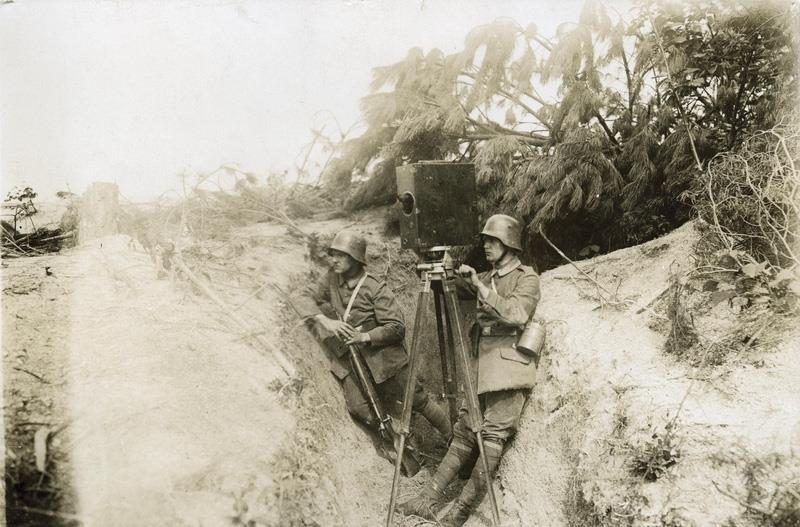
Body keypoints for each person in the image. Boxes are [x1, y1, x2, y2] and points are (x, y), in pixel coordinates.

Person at [397, 214, 541, 526]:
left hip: (508, 370)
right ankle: (428, 500)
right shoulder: (488, 277)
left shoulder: (526, 278)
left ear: (510, 244)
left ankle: (457, 516)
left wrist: (479, 286)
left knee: (491, 438)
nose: (486, 246)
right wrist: (447, 268)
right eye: (486, 240)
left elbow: (517, 314)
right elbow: (455, 289)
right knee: (464, 433)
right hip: (479, 368)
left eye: (493, 241)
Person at [293, 230, 452, 444]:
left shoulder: (375, 288)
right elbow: (299, 295)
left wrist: (364, 337)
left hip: (384, 357)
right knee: (358, 407)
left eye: (341, 255)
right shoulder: (331, 279)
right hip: (352, 359)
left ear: (356, 258)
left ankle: (454, 440)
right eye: (333, 254)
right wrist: (325, 320)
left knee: (417, 400)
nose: (335, 260)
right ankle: (403, 440)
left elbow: (396, 327)